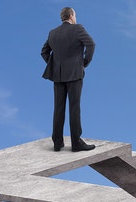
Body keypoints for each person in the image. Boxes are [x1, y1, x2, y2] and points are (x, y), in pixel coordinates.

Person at [41, 7, 96, 152]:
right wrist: (84, 63)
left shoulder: (53, 32)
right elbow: (91, 44)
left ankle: (57, 143)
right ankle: (76, 143)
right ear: (71, 16)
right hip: (74, 74)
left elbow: (44, 51)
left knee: (58, 109)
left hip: (58, 76)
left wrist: (54, 65)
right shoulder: (78, 29)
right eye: (75, 15)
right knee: (74, 108)